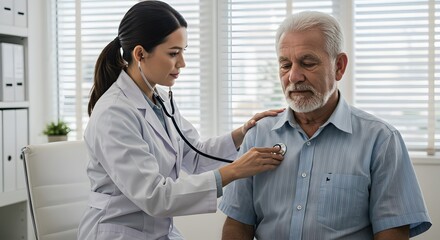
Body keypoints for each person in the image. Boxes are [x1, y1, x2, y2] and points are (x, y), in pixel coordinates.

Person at [77, 1, 285, 239]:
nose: (182, 63)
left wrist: (242, 133)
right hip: (119, 232)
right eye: (173, 53)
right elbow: (155, 196)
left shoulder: (160, 100)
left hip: (159, 231)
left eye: (183, 51)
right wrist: (236, 170)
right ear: (140, 54)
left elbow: (195, 155)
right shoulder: (113, 114)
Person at [219, 11, 432, 240]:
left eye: (307, 63)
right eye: (285, 65)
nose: (294, 76)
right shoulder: (258, 135)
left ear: (339, 66)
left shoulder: (381, 140)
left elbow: (392, 233)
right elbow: (237, 225)